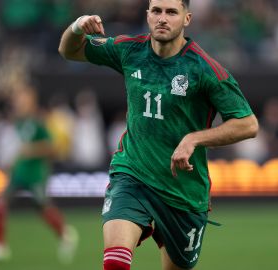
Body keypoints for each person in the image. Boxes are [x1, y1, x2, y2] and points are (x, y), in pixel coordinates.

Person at [59, 0, 258, 269]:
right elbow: (69, 50)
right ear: (148, 15)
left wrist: (193, 139)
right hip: (132, 175)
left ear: (187, 19)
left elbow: (248, 124)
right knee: (115, 263)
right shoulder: (130, 49)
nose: (163, 18)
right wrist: (77, 26)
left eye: (171, 12)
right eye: (157, 11)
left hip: (183, 193)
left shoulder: (204, 69)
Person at [0, 85, 79, 265]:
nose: (18, 102)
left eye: (21, 99)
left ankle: (65, 234)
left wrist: (31, 150)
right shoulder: (19, 122)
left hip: (36, 172)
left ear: (31, 100)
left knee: (42, 206)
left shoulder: (39, 121)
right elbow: (19, 148)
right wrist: (11, 164)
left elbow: (53, 147)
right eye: (17, 99)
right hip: (20, 170)